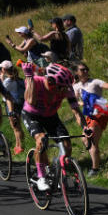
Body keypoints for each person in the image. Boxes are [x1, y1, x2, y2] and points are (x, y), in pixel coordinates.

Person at [21, 62, 88, 191]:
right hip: (32, 115)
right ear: (50, 82)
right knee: (41, 140)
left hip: (51, 116)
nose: (63, 91)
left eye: (65, 88)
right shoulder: (36, 81)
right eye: (60, 88)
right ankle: (42, 177)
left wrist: (85, 128)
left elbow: (76, 111)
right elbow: (30, 100)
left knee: (67, 147)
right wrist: (29, 76)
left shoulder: (66, 88)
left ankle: (55, 171)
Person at [73, 63, 108, 177]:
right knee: (85, 139)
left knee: (91, 140)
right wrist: (80, 102)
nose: (86, 71)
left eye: (87, 69)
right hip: (89, 116)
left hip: (100, 113)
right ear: (77, 73)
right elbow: (74, 100)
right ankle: (97, 160)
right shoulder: (77, 86)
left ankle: (95, 169)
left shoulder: (95, 82)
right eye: (82, 70)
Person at [0, 60, 25, 154]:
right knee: (18, 125)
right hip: (20, 102)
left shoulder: (7, 81)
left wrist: (0, 80)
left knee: (15, 126)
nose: (1, 69)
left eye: (2, 68)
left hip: (11, 105)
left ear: (4, 70)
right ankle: (20, 144)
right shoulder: (17, 78)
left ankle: (19, 146)